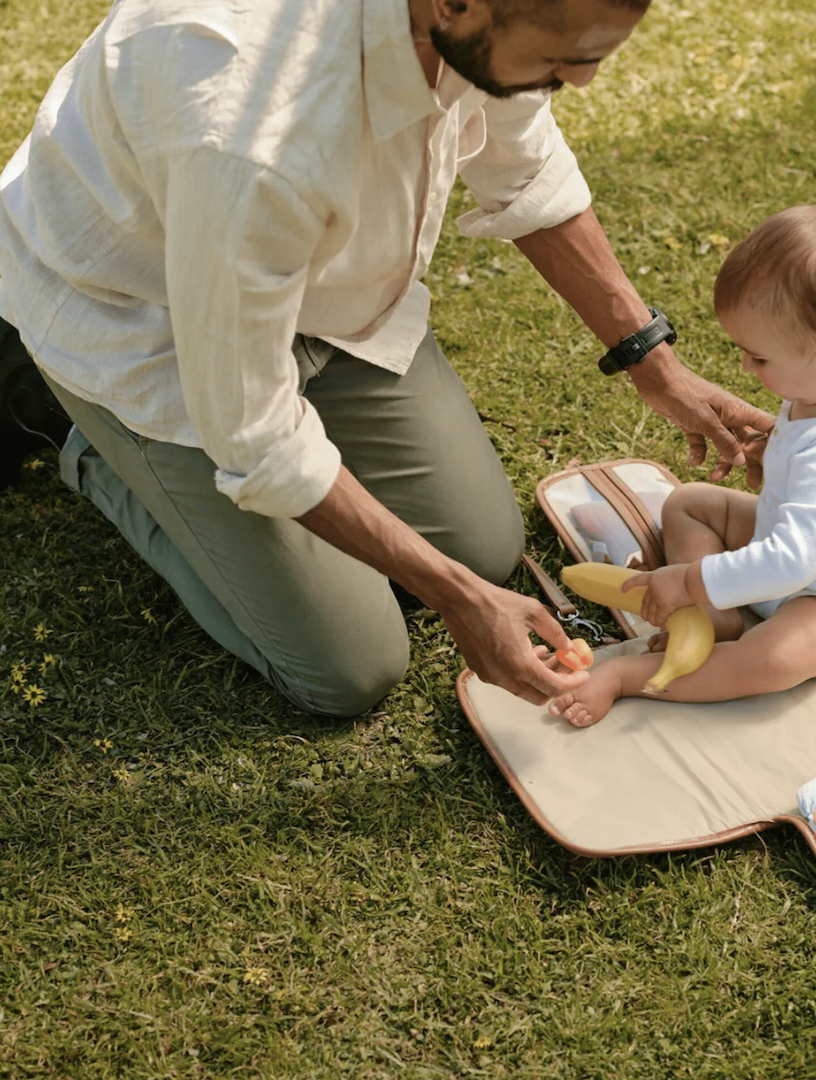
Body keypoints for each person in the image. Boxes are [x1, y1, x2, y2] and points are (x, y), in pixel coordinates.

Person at [0, 0, 774, 716]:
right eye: (564, 60)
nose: (583, 79)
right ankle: (93, 440)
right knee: (349, 669)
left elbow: (524, 166)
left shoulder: (490, 20)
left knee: (485, 547)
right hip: (149, 321)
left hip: (324, 297)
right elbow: (256, 435)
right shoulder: (254, 132)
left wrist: (654, 363)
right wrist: (456, 598)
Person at [548, 205, 816, 727]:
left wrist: (687, 581)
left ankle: (630, 676)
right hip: (789, 540)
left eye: (760, 358)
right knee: (689, 502)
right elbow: (810, 473)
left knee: (775, 658)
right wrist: (781, 448)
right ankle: (714, 617)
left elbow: (793, 563)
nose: (745, 366)